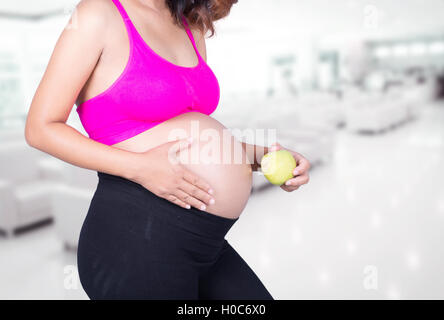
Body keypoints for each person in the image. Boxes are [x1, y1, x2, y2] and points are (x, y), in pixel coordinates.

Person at [25, 0, 310, 299]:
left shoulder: (191, 23)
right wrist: (140, 168)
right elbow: (40, 128)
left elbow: (183, 136)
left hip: (204, 241)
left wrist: (262, 157)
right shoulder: (98, 13)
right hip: (136, 238)